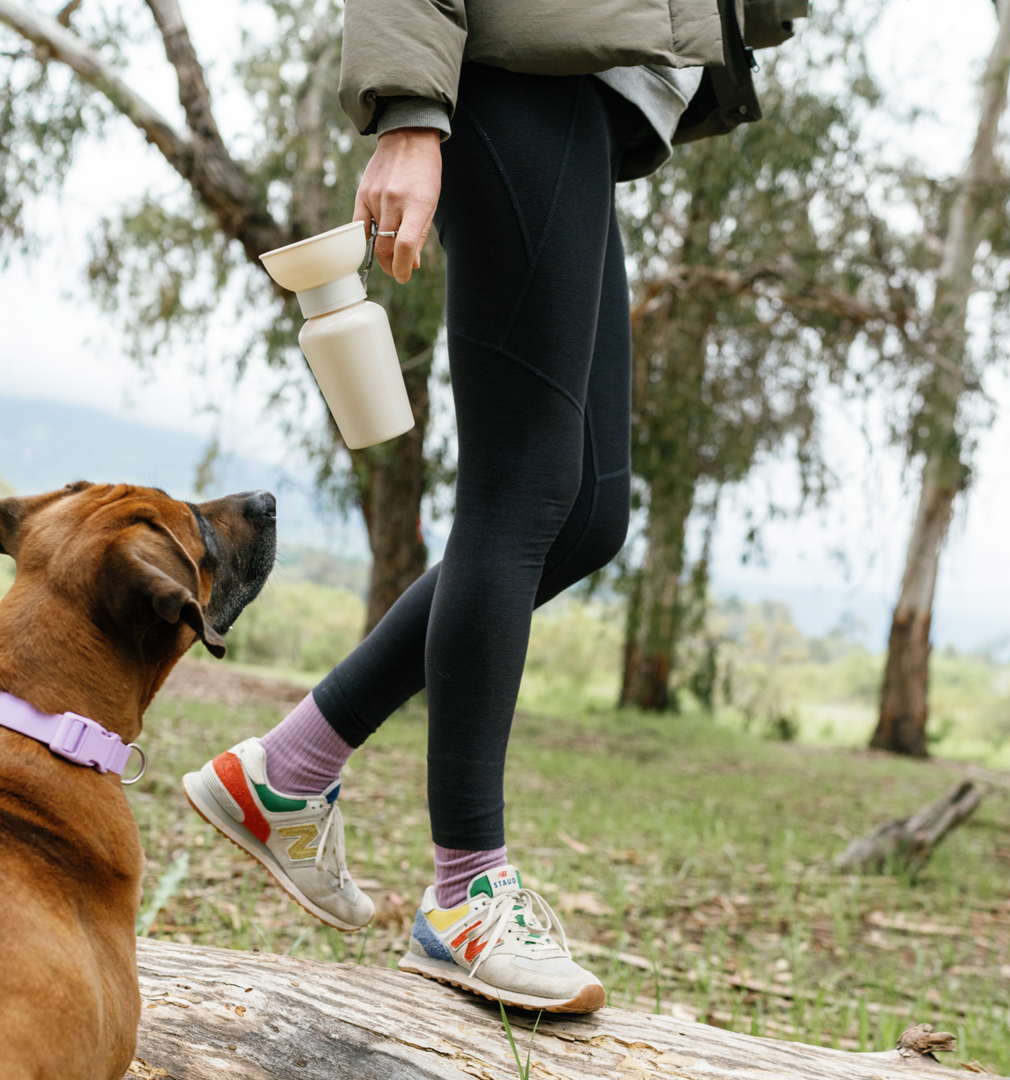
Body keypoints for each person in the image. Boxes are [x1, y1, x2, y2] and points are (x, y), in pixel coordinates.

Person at [183, 0, 804, 1013]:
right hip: (524, 80)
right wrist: (409, 112)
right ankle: (466, 893)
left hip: (591, 98)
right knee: (519, 496)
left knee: (587, 514)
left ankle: (287, 771)